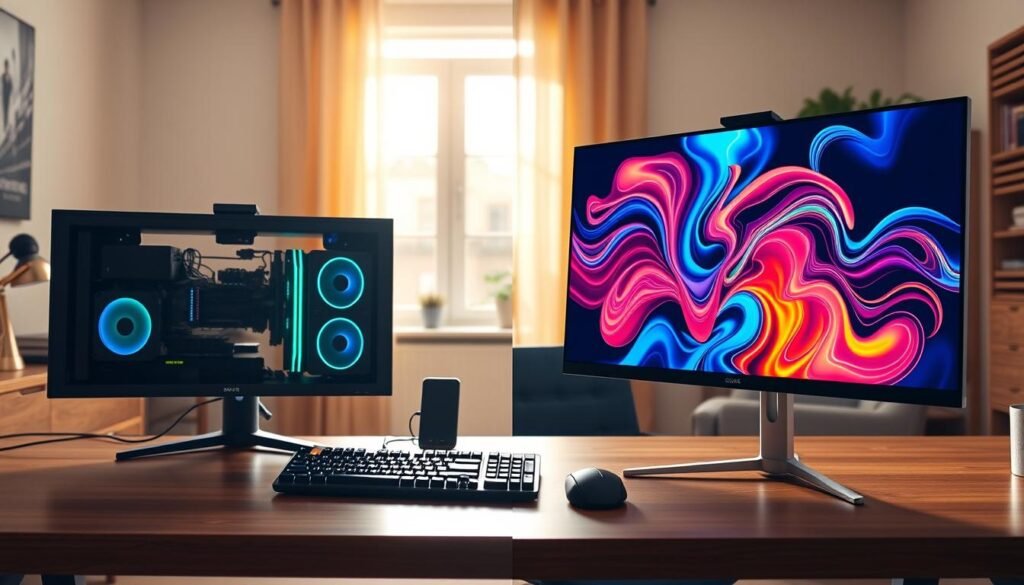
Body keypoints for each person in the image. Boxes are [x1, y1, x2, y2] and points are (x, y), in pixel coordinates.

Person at [1, 59, 12, 131]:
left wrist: (10, 92)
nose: (6, 67)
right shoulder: (2, 76)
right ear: (4, 67)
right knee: (4, 110)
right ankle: (5, 125)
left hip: (8, 95)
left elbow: (11, 86)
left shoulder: (9, 76)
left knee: (7, 110)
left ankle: (7, 124)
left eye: (7, 66)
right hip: (4, 95)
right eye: (5, 66)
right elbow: (2, 85)